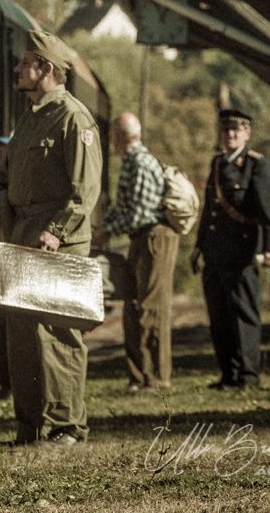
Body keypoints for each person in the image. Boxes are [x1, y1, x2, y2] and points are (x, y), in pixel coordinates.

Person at [0, 31, 101, 447]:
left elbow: (84, 190)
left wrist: (55, 232)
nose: (16, 69)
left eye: (24, 63)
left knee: (58, 335)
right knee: (20, 338)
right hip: (21, 239)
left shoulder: (74, 118)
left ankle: (67, 426)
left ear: (45, 69)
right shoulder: (31, 115)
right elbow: (2, 181)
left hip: (58, 242)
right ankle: (31, 427)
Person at [189, 108, 270, 389]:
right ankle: (228, 373)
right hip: (216, 252)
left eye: (237, 130)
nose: (230, 135)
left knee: (243, 315)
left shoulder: (257, 165)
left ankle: (248, 375)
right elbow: (209, 212)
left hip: (242, 253)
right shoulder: (217, 163)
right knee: (219, 317)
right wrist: (198, 247)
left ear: (247, 134)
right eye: (226, 130)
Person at [92, 112, 176, 393]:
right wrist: (105, 226)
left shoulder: (139, 162)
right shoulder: (131, 162)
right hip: (142, 238)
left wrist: (106, 232)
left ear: (119, 136)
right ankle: (140, 375)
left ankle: (156, 377)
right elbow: (123, 205)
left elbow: (139, 213)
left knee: (150, 306)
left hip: (153, 238)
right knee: (135, 304)